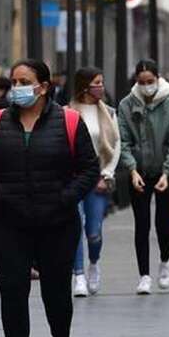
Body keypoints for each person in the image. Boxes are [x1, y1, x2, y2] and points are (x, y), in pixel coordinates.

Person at [0, 59, 100, 337]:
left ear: (43, 87)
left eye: (24, 81)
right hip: (9, 224)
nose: (17, 88)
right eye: (14, 82)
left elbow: (89, 168)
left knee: (56, 297)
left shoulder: (69, 121)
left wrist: (64, 198)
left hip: (56, 223)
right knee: (12, 294)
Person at [118, 59, 169, 295]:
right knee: (141, 224)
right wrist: (131, 169)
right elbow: (123, 140)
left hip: (165, 172)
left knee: (163, 222)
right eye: (142, 82)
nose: (147, 86)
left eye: (151, 81)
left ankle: (165, 262)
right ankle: (144, 275)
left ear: (158, 79)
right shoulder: (127, 105)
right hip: (138, 172)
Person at [70, 67, 120, 297]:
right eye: (97, 82)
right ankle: (78, 275)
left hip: (98, 177)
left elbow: (116, 145)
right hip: (73, 178)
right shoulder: (68, 112)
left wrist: (107, 174)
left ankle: (94, 263)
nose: (101, 86)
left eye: (101, 82)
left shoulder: (109, 112)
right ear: (85, 86)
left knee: (94, 232)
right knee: (75, 227)